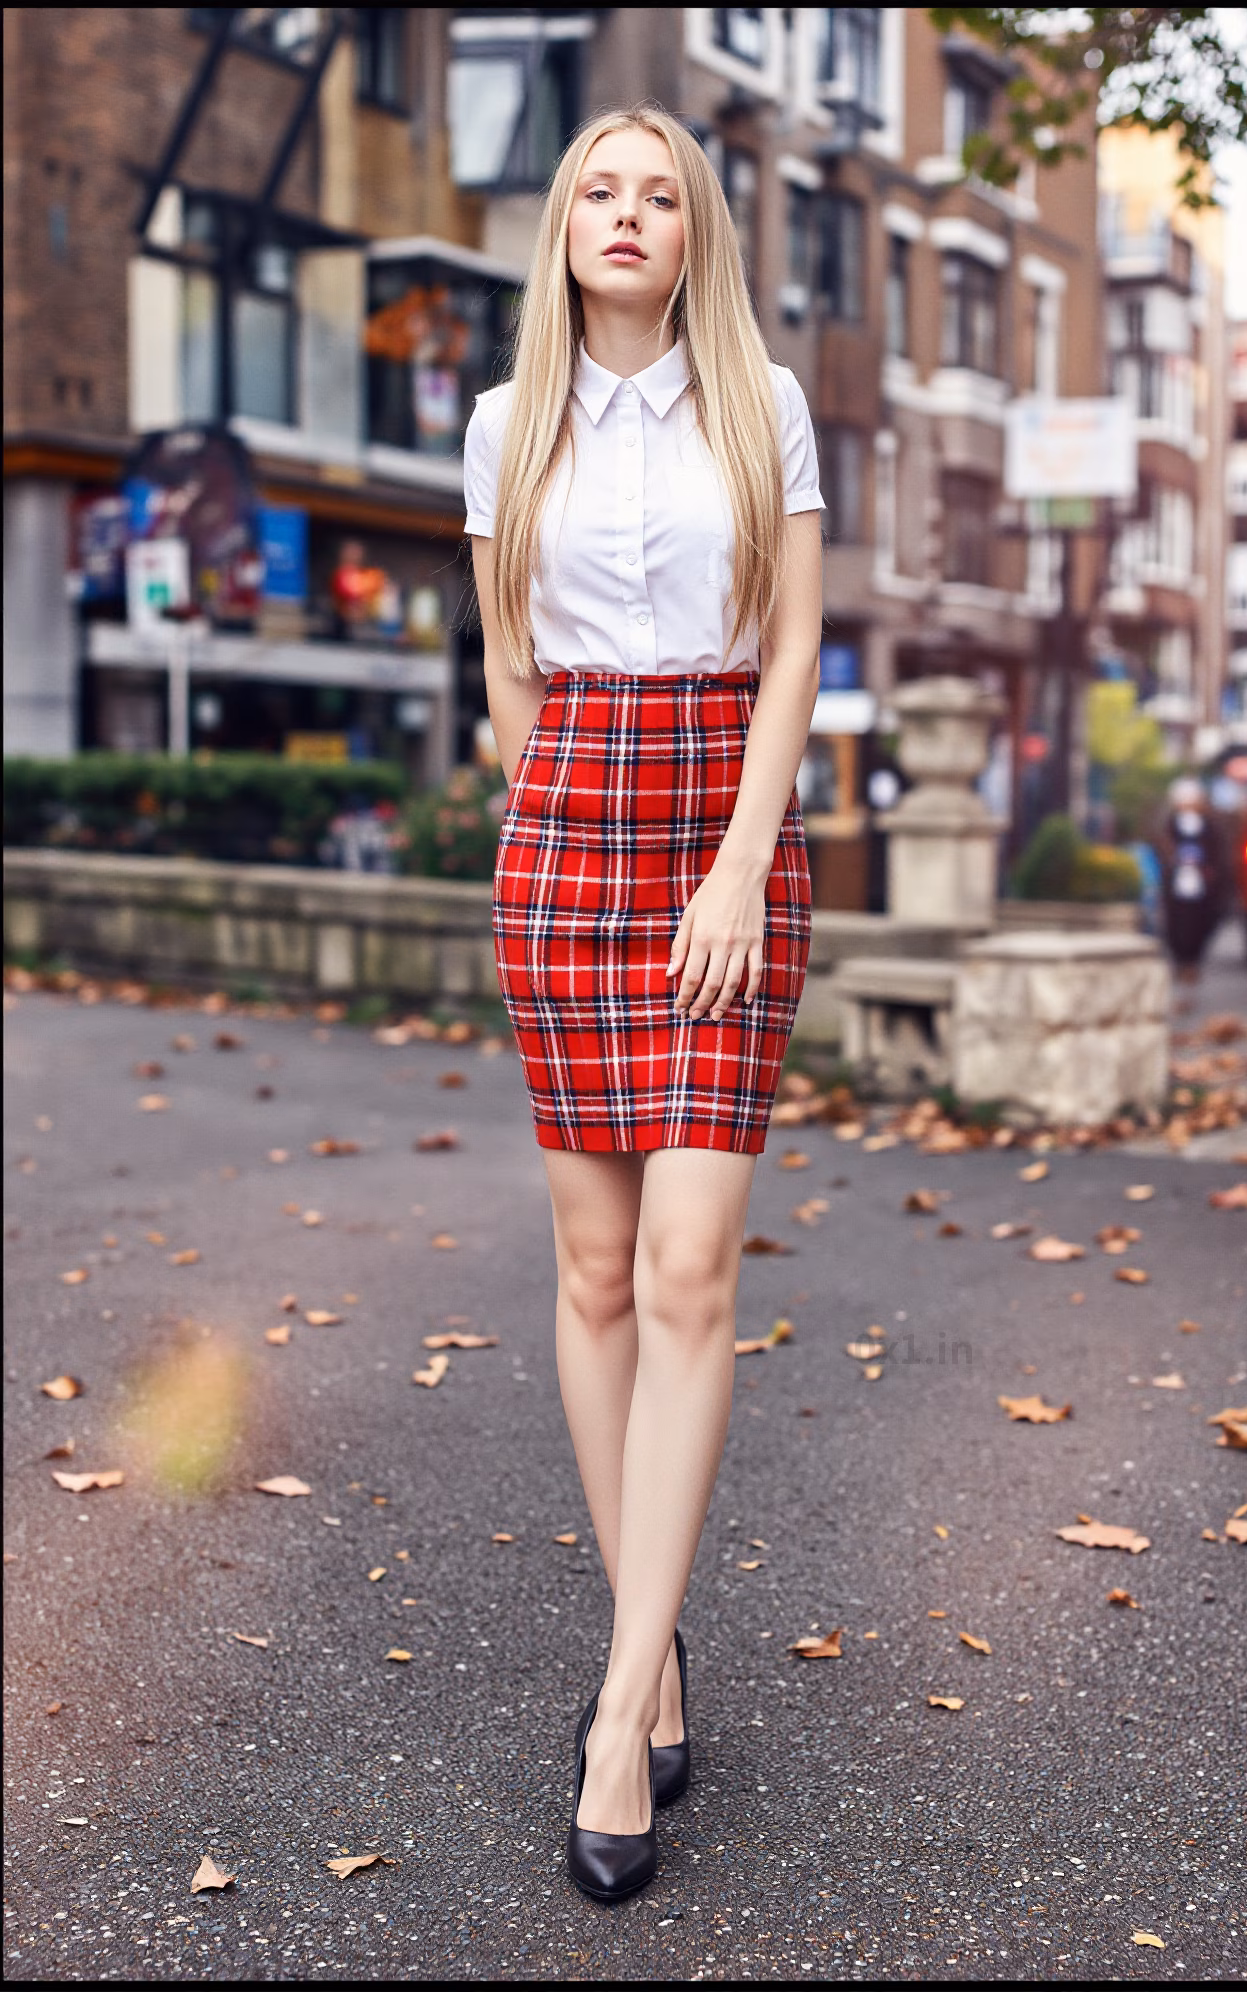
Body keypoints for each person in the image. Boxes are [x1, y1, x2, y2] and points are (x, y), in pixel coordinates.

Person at [463, 105, 823, 1903]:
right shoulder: (498, 429)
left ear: (696, 235)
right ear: (562, 229)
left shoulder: (761, 405)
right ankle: (657, 1639)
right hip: (571, 846)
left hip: (718, 837)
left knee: (689, 1271)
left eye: (658, 194)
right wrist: (559, 828)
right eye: (597, 190)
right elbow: (511, 674)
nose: (626, 214)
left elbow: (796, 646)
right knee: (595, 1273)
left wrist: (744, 860)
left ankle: (620, 1716)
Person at [1158, 775, 1225, 982]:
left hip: (1201, 883)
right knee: (1176, 924)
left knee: (1200, 922)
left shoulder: (1210, 826)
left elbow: (1217, 852)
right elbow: (1163, 849)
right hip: (1177, 882)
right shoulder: (1169, 825)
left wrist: (1208, 871)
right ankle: (1180, 961)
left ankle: (1193, 962)